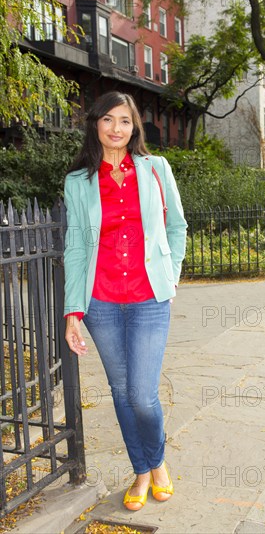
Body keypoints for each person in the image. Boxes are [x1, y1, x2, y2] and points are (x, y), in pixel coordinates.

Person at [63, 91, 187, 511]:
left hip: (149, 297)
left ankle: (157, 461)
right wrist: (72, 312)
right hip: (101, 302)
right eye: (108, 120)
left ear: (135, 128)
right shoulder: (78, 181)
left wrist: (170, 278)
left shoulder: (155, 168)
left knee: (141, 394)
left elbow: (178, 227)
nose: (117, 129)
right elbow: (76, 247)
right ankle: (142, 470)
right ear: (95, 124)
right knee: (119, 390)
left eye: (125, 121)